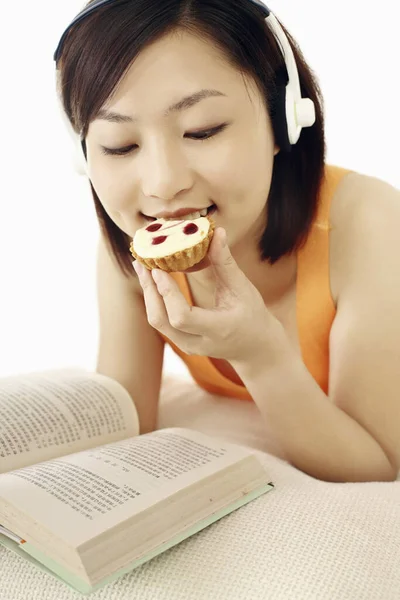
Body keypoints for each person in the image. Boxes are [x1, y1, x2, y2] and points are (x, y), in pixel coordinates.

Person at [54, 0, 400, 483]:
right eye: (120, 146)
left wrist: (260, 354)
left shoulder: (369, 222)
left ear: (284, 120)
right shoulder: (131, 249)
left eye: (202, 130)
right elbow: (124, 424)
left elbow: (378, 468)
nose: (163, 183)